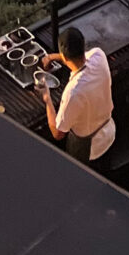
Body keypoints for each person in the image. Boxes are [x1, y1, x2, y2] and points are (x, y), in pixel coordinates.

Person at [40, 25, 114, 165]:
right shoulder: (99, 55)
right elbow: (83, 57)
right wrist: (51, 57)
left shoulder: (73, 92)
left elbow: (58, 133)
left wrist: (47, 98)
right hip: (109, 132)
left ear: (64, 56)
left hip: (89, 149)